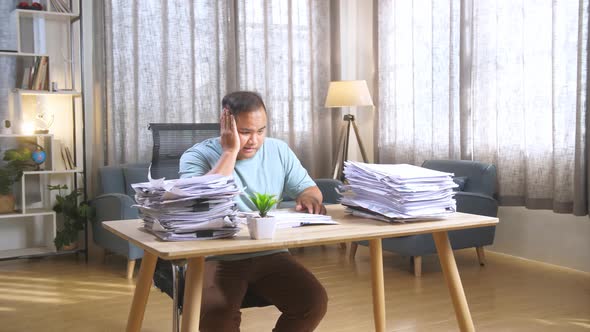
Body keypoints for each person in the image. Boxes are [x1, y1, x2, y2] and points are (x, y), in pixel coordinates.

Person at [179, 91, 328, 332]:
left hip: (269, 252)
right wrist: (229, 152)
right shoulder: (197, 155)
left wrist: (309, 198)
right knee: (218, 320)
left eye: (260, 131)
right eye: (245, 132)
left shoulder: (278, 150)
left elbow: (310, 189)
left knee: (312, 302)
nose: (254, 141)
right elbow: (201, 200)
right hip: (216, 256)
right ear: (225, 124)